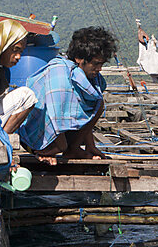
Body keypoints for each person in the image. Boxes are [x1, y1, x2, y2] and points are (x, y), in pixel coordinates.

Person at [19, 26, 117, 165]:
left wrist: (91, 146)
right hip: (35, 132)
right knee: (61, 146)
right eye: (95, 64)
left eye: (101, 64)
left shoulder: (86, 77)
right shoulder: (59, 71)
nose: (99, 69)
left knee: (99, 103)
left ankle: (73, 149)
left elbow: (87, 111)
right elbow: (55, 113)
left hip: (59, 128)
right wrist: (58, 147)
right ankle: (45, 149)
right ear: (79, 59)